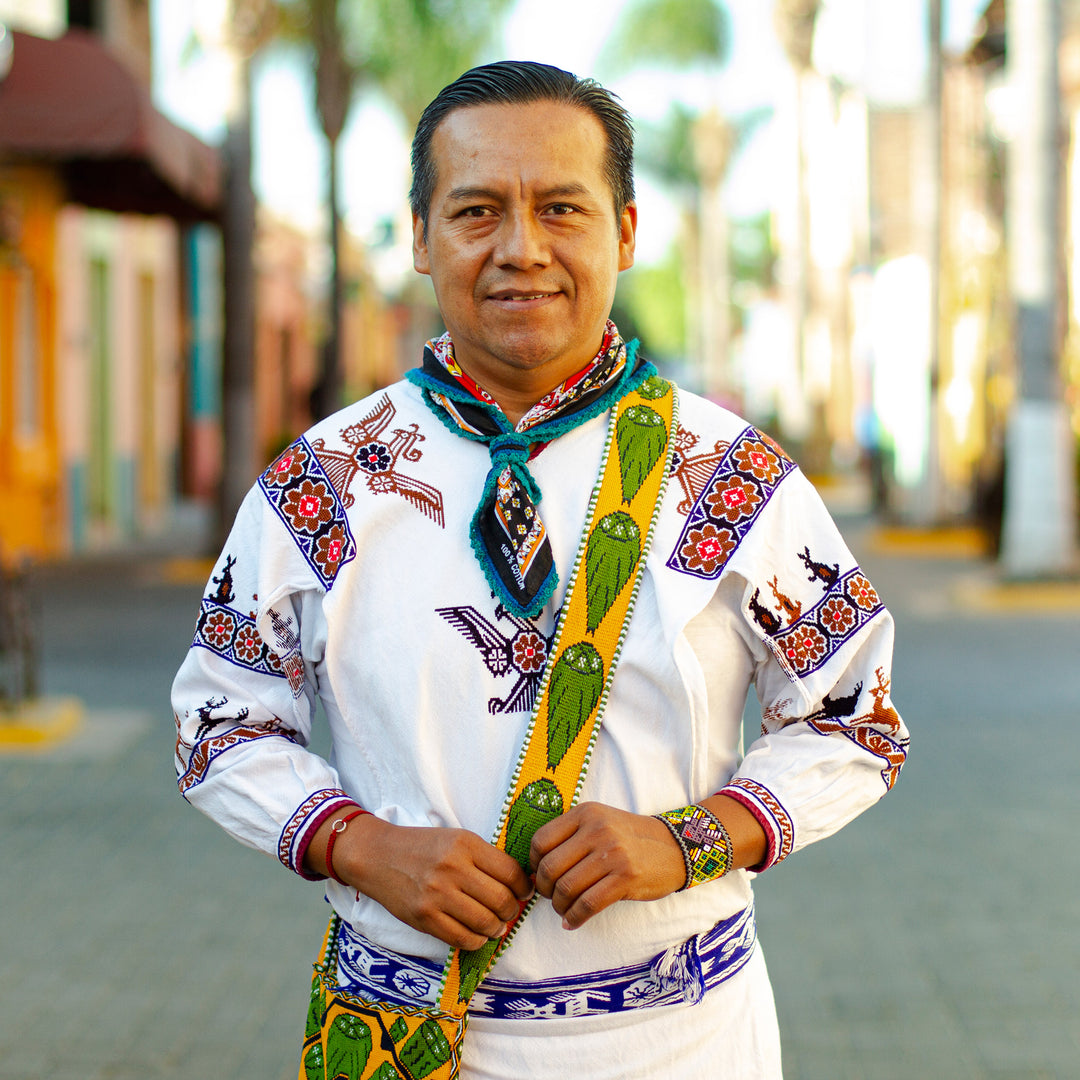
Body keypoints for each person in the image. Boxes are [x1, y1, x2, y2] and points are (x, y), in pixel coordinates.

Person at [172, 60, 908, 1079]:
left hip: (683, 1039)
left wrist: (693, 839)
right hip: (404, 1039)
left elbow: (857, 720)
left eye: (562, 208)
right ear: (422, 238)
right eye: (477, 210)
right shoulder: (328, 481)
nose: (522, 249)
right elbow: (219, 723)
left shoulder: (731, 478)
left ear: (626, 232)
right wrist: (356, 845)